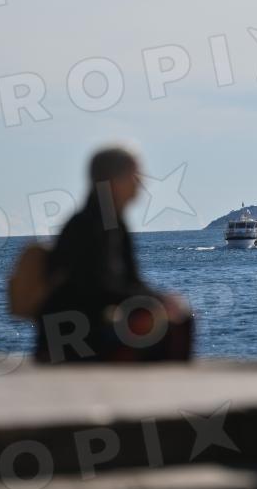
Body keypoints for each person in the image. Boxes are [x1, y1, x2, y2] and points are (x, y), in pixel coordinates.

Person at [35, 145, 193, 363]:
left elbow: (130, 280)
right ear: (114, 181)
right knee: (178, 325)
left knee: (172, 318)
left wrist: (159, 299)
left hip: (83, 325)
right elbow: (100, 286)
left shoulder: (111, 222)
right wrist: (157, 301)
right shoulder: (94, 224)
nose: (141, 183)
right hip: (74, 335)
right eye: (135, 175)